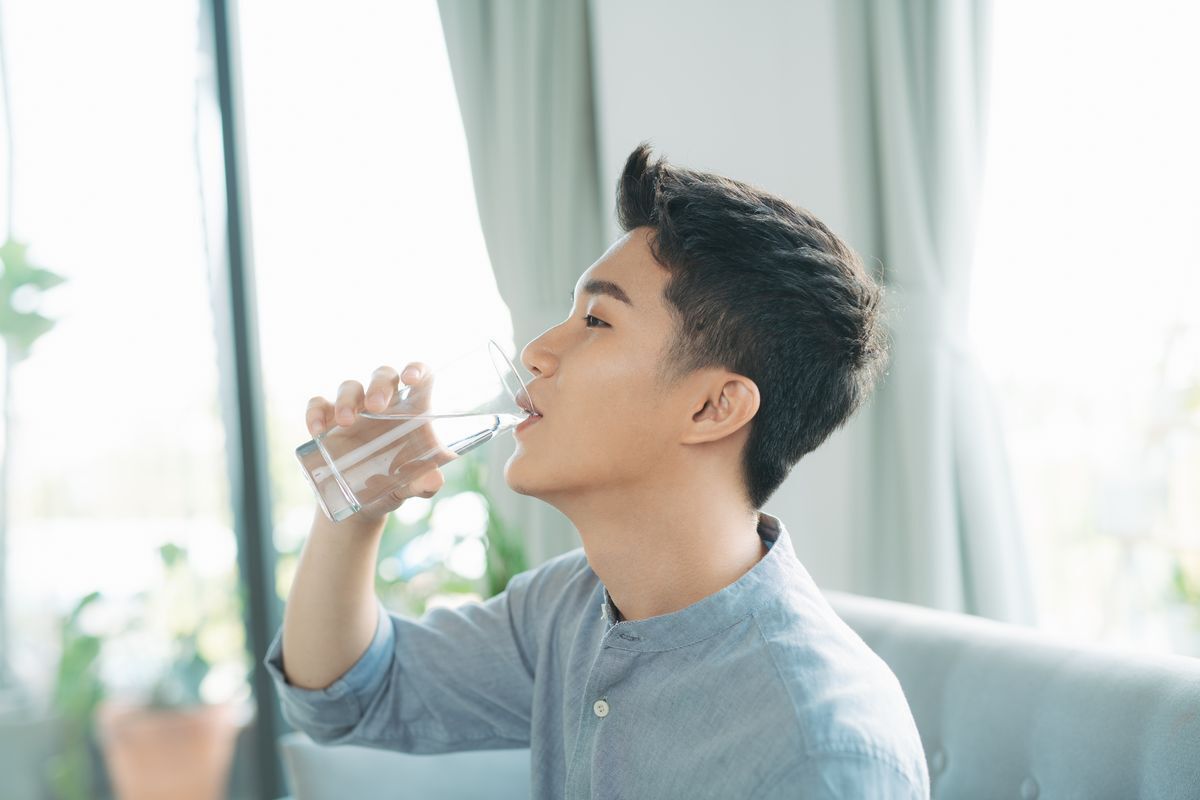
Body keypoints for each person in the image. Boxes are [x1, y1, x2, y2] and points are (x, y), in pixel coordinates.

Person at [265, 143, 930, 799]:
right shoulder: (568, 610)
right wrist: (356, 505)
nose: (536, 351)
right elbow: (344, 695)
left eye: (595, 319)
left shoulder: (821, 750)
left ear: (712, 407)